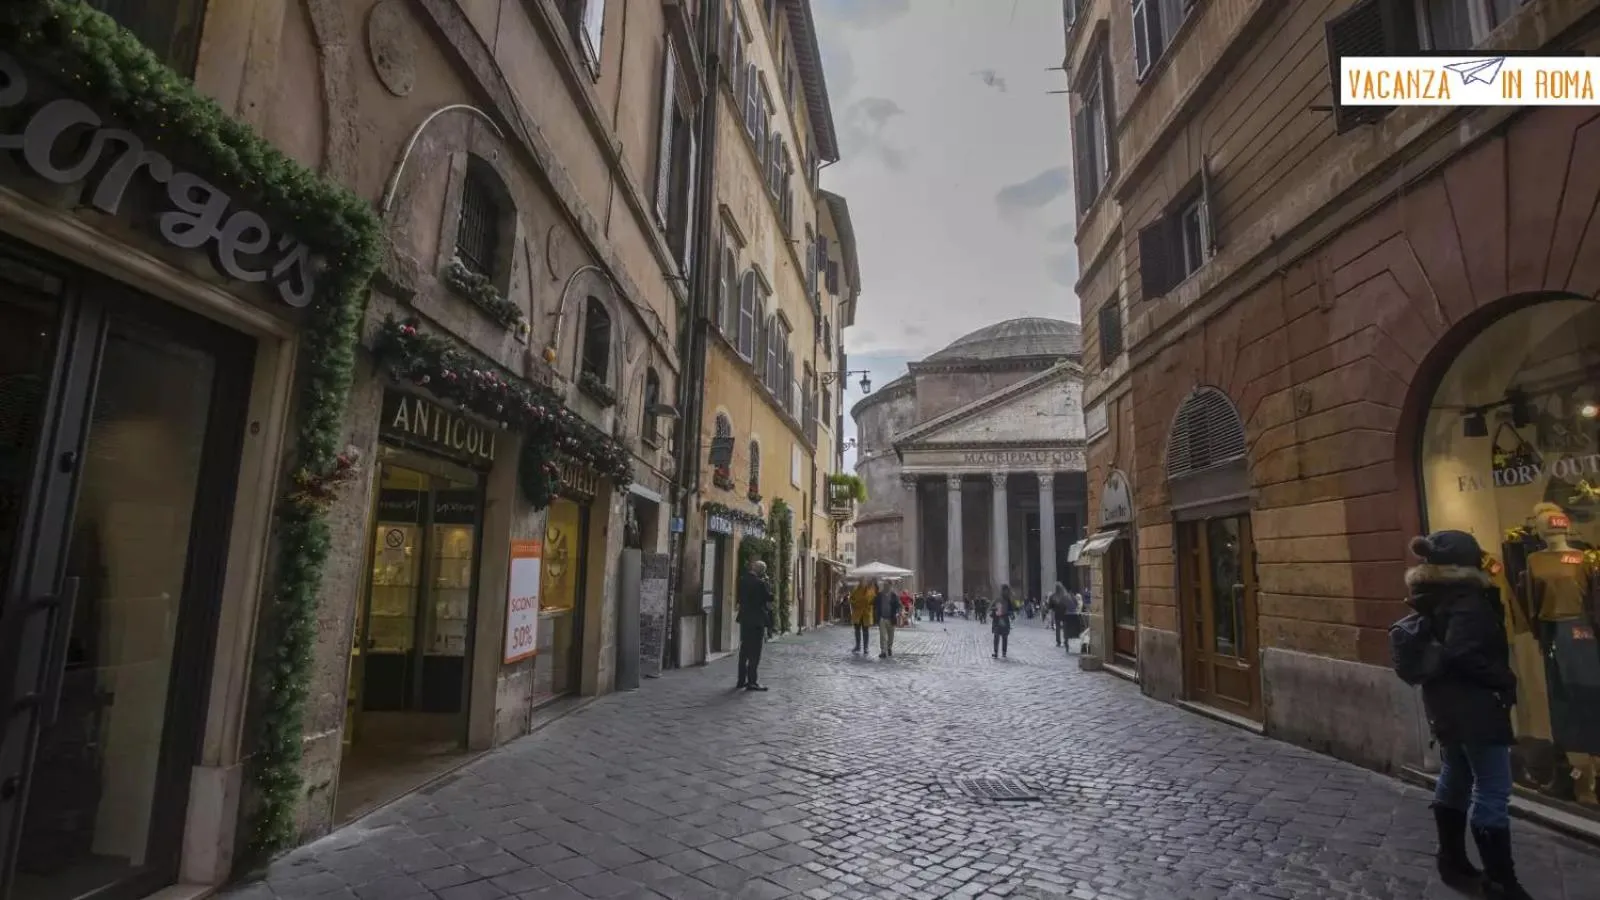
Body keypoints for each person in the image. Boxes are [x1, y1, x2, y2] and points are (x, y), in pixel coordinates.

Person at [1404, 530, 1531, 899]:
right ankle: (1500, 880)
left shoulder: (1431, 595)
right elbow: (1462, 653)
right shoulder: (1468, 600)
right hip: (1475, 704)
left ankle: (1453, 860)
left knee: (1456, 773)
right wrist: (1503, 679)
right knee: (1493, 788)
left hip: (1445, 702)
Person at [735, 559, 775, 691]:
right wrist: (768, 585)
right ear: (761, 571)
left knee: (744, 651)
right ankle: (752, 681)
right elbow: (769, 598)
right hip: (757, 621)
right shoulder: (760, 583)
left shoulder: (742, 580)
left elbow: (740, 598)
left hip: (745, 620)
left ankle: (741, 680)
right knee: (755, 653)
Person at [848, 580, 876, 654]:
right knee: (857, 630)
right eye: (862, 581)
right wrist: (856, 603)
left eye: (864, 581)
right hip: (857, 613)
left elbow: (873, 601)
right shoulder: (856, 590)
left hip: (866, 614)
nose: (863, 582)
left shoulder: (871, 590)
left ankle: (866, 647)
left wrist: (868, 604)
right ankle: (857, 646)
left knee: (865, 631)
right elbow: (851, 599)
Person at [1049, 582, 1079, 648]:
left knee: (1058, 628)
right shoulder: (1066, 596)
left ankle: (1058, 642)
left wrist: (1054, 608)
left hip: (1057, 614)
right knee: (1065, 628)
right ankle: (1066, 641)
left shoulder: (1053, 596)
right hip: (1065, 614)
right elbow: (1074, 604)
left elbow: (1050, 606)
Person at [875, 579, 899, 658]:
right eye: (884, 585)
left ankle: (889, 648)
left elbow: (897, 605)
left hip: (891, 618)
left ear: (890, 586)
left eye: (887, 585)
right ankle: (883, 651)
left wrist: (899, 611)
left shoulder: (893, 595)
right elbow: (875, 604)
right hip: (882, 618)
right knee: (883, 636)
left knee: (891, 636)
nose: (885, 586)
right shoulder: (879, 595)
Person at [991, 584, 1014, 658]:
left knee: (1004, 637)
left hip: (1004, 619)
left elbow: (1011, 610)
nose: (1006, 592)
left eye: (1007, 591)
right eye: (1004, 590)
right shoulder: (997, 599)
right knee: (996, 636)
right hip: (997, 620)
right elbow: (991, 607)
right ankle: (996, 652)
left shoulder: (1008, 600)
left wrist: (1011, 614)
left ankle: (1004, 652)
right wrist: (995, 609)